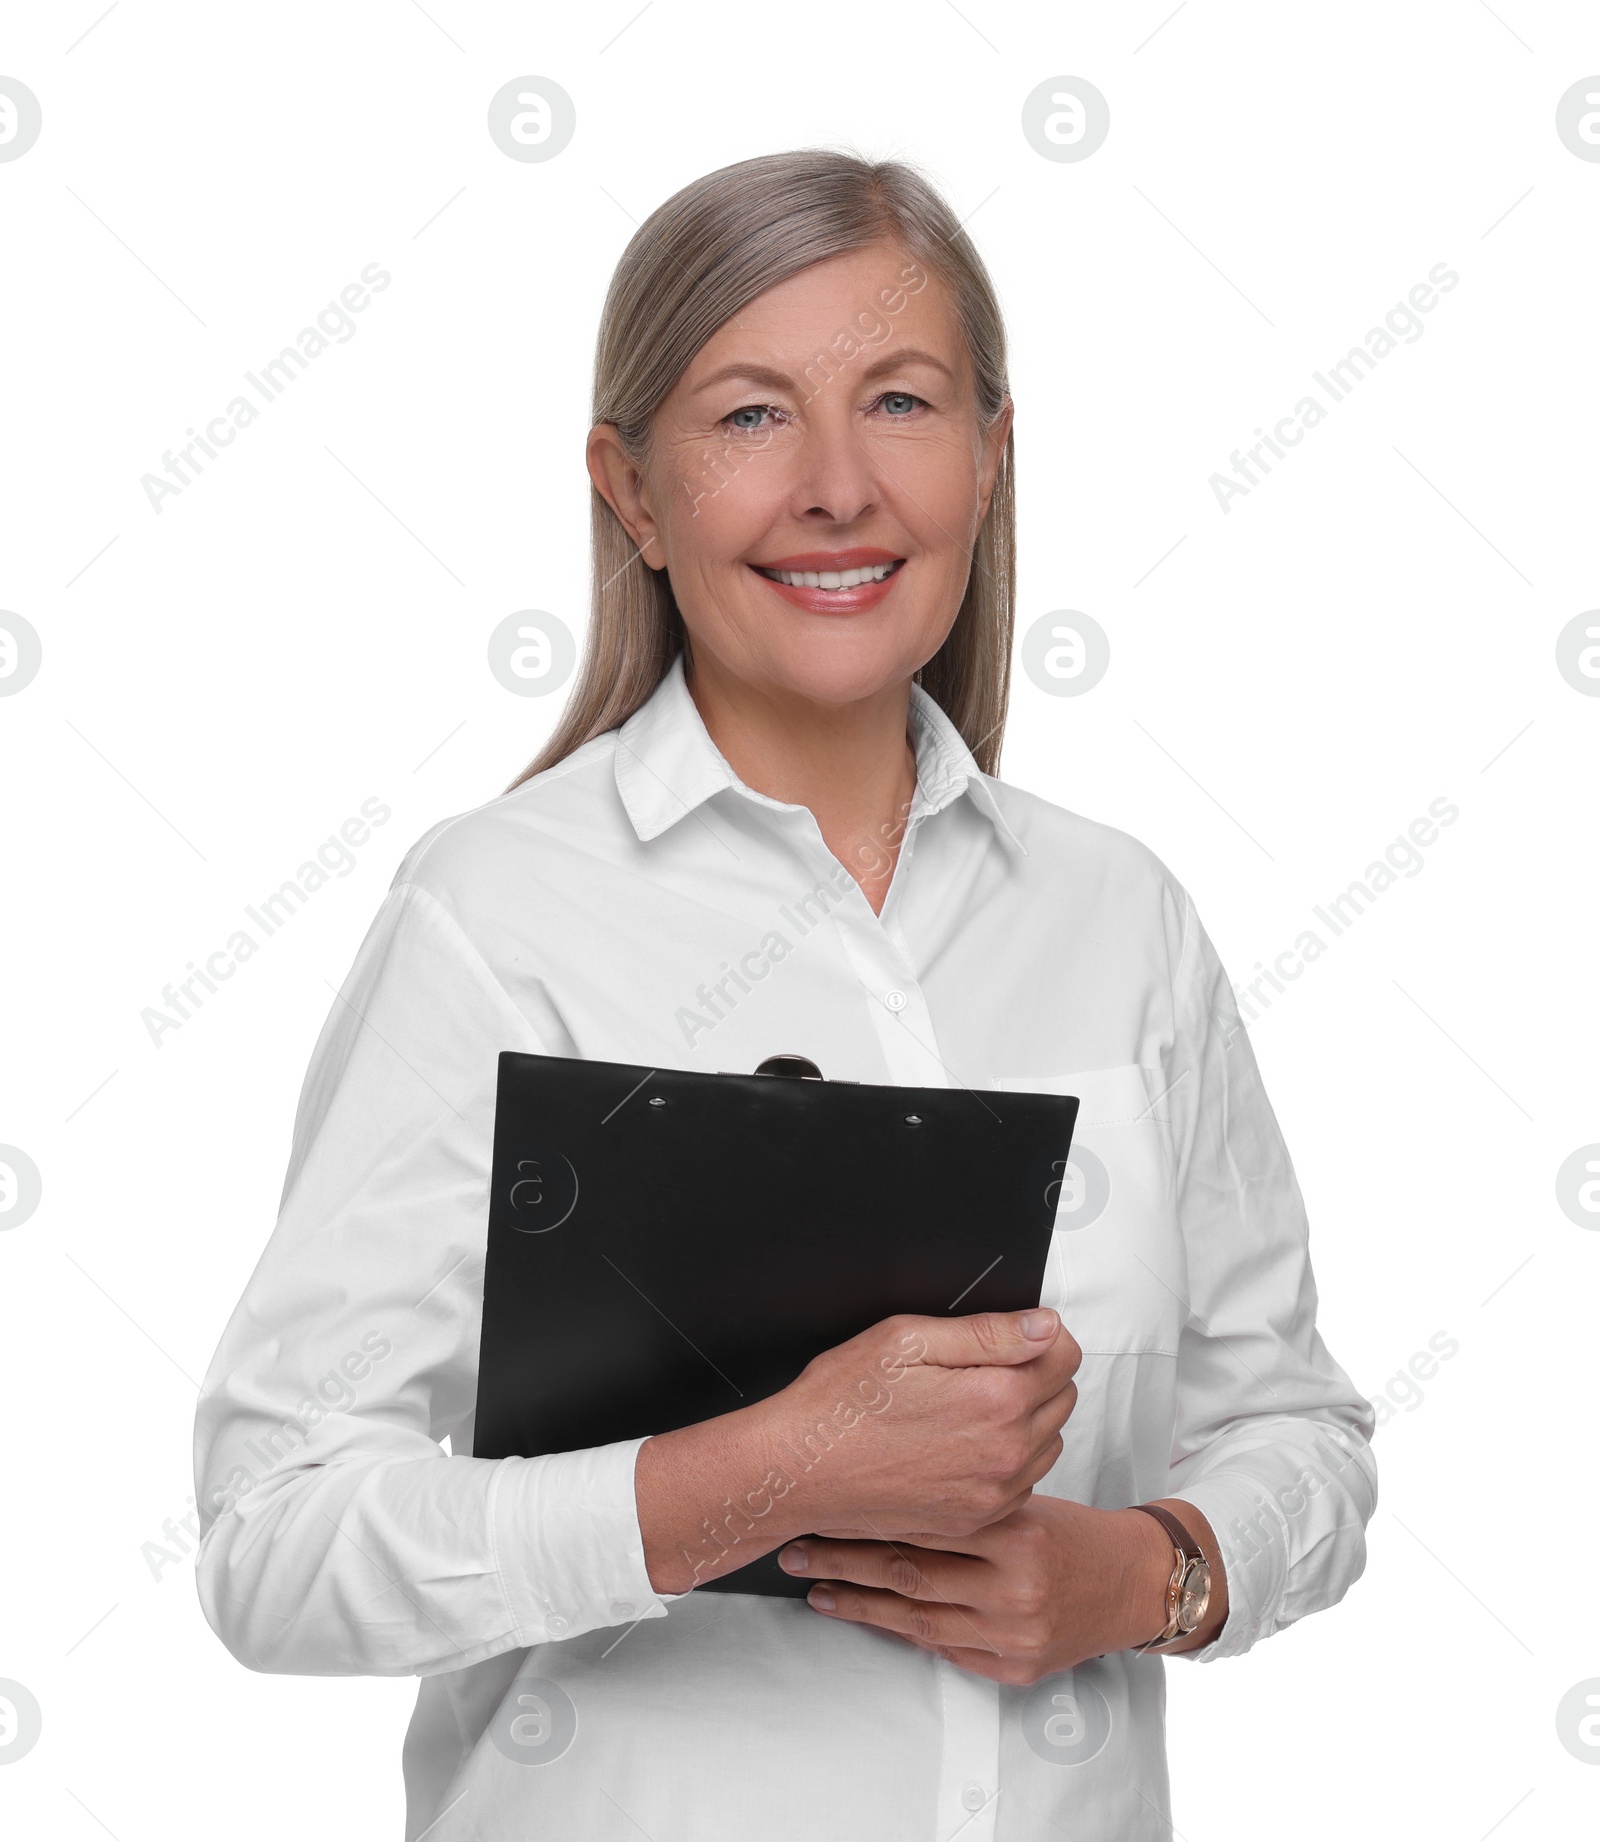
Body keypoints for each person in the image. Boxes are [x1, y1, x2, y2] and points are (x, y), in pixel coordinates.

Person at [192, 148, 1377, 1840]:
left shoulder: (1122, 917)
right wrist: (765, 1474)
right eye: (751, 416)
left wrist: (1145, 1575)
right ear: (633, 491)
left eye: (900, 402)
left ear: (990, 454)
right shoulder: (495, 916)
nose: (839, 487)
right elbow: (271, 1537)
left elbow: (1298, 1428)